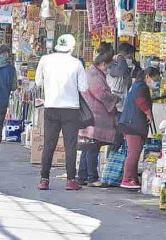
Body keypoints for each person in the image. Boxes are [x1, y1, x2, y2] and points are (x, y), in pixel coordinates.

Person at [35, 34, 88, 191]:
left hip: (51, 107)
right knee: (70, 145)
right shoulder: (76, 63)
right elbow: (84, 88)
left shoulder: (45, 60)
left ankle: (44, 180)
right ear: (71, 48)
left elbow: (38, 82)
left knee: (49, 144)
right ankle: (71, 180)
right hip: (71, 110)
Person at [78, 43, 119, 187]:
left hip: (90, 114)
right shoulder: (93, 75)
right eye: (107, 66)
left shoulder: (92, 72)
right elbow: (100, 93)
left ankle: (82, 176)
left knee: (88, 146)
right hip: (94, 115)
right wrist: (114, 98)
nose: (108, 69)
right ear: (102, 63)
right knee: (92, 147)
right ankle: (92, 177)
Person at [119, 67, 160, 189]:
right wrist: (148, 113)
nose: (156, 82)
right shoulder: (141, 86)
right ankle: (126, 179)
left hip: (132, 124)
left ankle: (133, 179)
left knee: (136, 153)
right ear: (147, 76)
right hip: (133, 125)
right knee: (134, 153)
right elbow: (140, 101)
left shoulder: (137, 85)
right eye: (155, 79)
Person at [108, 43, 141, 150]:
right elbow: (121, 70)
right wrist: (121, 58)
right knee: (116, 137)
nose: (131, 59)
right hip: (115, 107)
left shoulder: (128, 66)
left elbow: (139, 73)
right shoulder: (113, 65)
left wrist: (136, 64)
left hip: (124, 106)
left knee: (122, 136)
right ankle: (111, 160)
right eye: (129, 57)